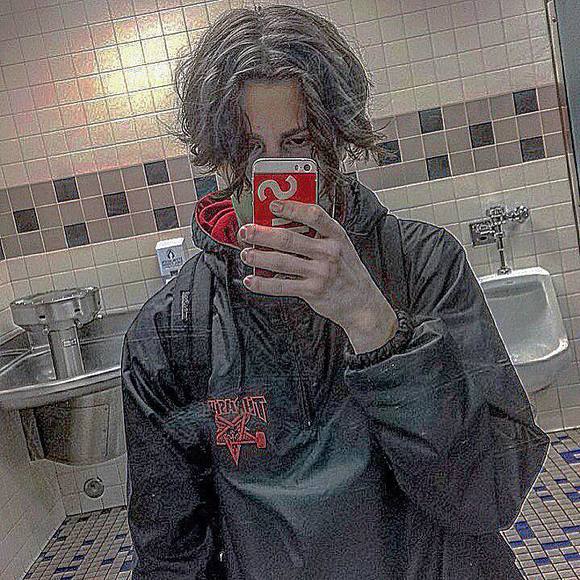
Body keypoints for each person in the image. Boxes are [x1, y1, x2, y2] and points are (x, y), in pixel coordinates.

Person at [121, 5, 550, 579]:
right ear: (218, 154)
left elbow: (490, 496)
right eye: (248, 149)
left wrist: (378, 328)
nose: (273, 173)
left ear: (334, 141)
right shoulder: (172, 330)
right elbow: (170, 556)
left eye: (297, 142)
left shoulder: (424, 264)